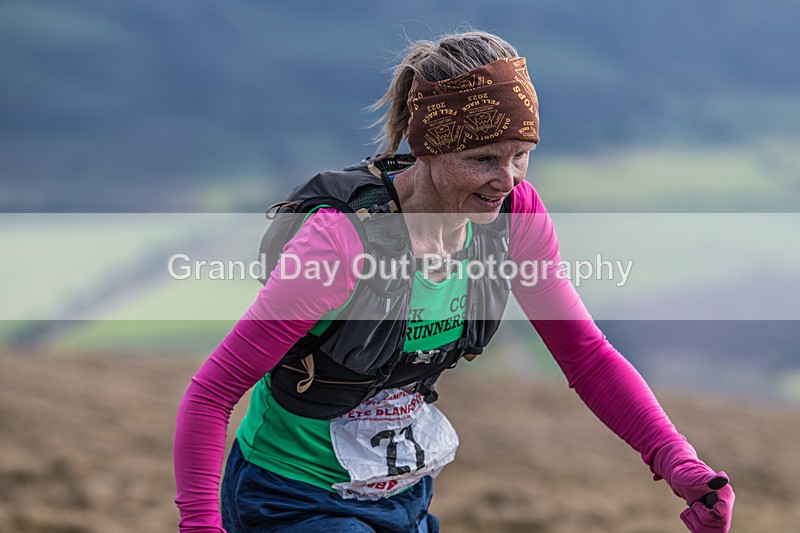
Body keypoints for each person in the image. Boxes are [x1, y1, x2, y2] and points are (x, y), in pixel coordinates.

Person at [174, 30, 735, 532]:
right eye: (485, 159)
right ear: (428, 147)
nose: (507, 180)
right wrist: (200, 526)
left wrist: (677, 462)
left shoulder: (515, 217)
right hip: (291, 499)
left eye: (522, 156)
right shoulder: (339, 245)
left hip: (405, 498)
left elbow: (585, 355)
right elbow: (212, 393)